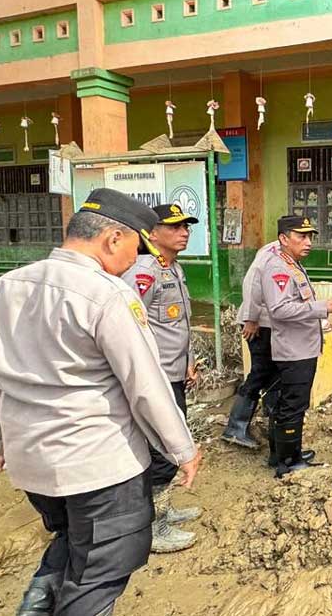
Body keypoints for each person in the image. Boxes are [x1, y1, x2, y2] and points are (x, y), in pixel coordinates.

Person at [0, 189, 202, 616]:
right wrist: (182, 449)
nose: (136, 259)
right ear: (113, 238)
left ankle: (35, 606)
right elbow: (144, 383)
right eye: (136, 246)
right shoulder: (106, 294)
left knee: (72, 541)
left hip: (33, 464)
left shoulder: (4, 288)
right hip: (98, 465)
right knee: (100, 572)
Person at [121, 203, 201, 553]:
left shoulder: (172, 267)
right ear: (151, 234)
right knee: (160, 448)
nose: (184, 232)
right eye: (175, 227)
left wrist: (189, 361)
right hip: (155, 378)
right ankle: (152, 525)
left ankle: (164, 508)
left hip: (173, 371)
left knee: (168, 445)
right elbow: (130, 330)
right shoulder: (143, 271)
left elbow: (177, 324)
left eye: (186, 227)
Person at [250, 215, 332, 477]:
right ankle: (288, 463)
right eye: (301, 236)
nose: (308, 242)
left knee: (289, 404)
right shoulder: (278, 268)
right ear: (283, 239)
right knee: (292, 405)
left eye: (310, 236)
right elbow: (279, 310)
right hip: (294, 351)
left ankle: (284, 453)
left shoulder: (291, 264)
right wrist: (322, 307)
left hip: (301, 346)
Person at [221, 239, 280, 451]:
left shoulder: (289, 256)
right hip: (259, 324)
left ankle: (273, 421)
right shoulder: (271, 253)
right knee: (260, 373)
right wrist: (251, 318)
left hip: (271, 324)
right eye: (302, 236)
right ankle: (235, 427)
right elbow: (252, 282)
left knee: (274, 372)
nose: (307, 242)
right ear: (286, 236)